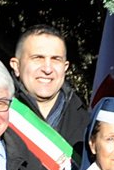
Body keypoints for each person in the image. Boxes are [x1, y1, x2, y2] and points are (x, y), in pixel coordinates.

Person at [9, 24, 89, 153]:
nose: (47, 69)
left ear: (65, 67)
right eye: (37, 58)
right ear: (16, 66)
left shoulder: (88, 125)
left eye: (56, 59)